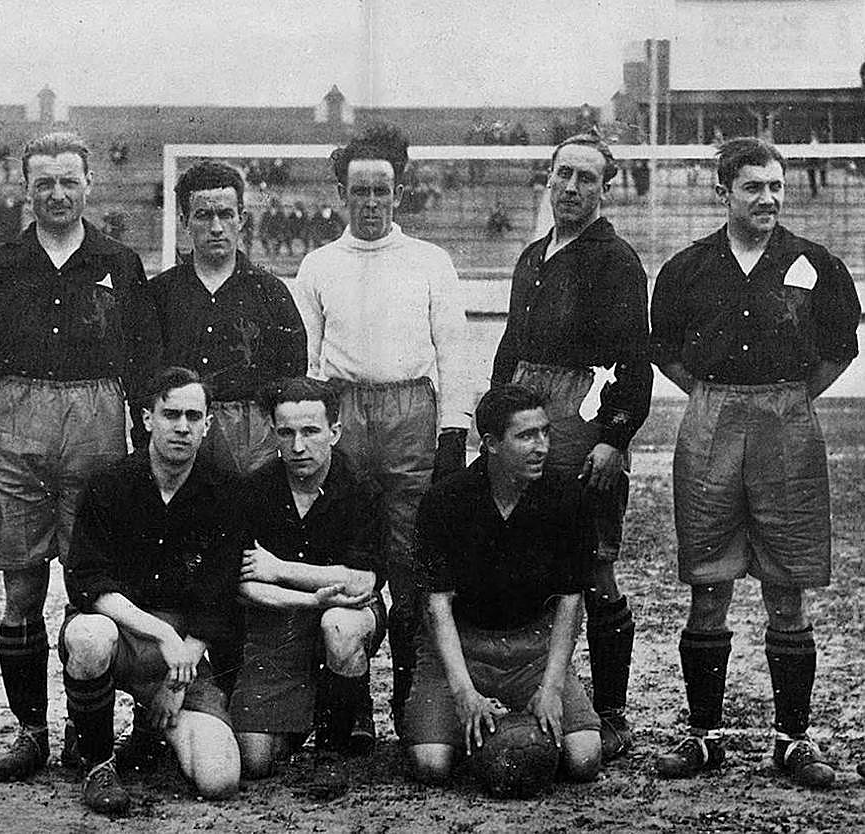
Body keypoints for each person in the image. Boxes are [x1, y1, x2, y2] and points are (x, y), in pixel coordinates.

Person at [649, 137, 859, 788]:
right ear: (723, 192)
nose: (767, 198)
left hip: (786, 421)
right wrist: (714, 400)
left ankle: (792, 741)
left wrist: (788, 400)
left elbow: (840, 345)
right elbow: (664, 347)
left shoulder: (813, 262)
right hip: (711, 420)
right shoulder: (689, 267)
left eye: (776, 186)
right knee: (707, 583)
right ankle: (703, 737)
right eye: (753, 187)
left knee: (786, 583)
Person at [0, 132, 162, 781]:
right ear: (26, 188)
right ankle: (29, 731)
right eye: (44, 182)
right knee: (22, 587)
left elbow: (142, 364)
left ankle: (88, 733)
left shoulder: (120, 260)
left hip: (97, 422)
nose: (57, 193)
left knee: (94, 588)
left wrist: (143, 458)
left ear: (89, 185)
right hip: (17, 420)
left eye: (68, 181)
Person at [293, 122, 474, 728]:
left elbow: (453, 353)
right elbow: (308, 361)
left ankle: (409, 695)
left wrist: (453, 432)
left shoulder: (429, 261)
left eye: (382, 190)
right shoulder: (318, 265)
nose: (370, 202)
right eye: (358, 191)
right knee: (344, 550)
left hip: (409, 416)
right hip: (344, 414)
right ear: (341, 193)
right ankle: (347, 703)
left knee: (410, 558)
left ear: (400, 193)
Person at [490, 132, 651, 761]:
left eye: (587, 178)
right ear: (548, 178)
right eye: (564, 174)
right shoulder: (532, 255)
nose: (572, 188)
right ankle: (527, 684)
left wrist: (614, 438)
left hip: (581, 418)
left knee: (592, 563)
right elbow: (509, 344)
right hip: (524, 409)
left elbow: (635, 364)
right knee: (521, 550)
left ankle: (611, 711)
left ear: (605, 189)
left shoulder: (617, 261)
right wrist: (494, 414)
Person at [61, 367, 242, 816]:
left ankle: (150, 729)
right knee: (87, 638)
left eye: (193, 417)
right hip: (123, 630)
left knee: (219, 779)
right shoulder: (110, 484)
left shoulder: (224, 491)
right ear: (146, 419)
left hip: (185, 649)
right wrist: (160, 635)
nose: (182, 427)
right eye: (170, 414)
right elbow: (86, 581)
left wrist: (177, 679)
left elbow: (219, 597)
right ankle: (98, 762)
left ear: (208, 424)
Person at [402, 385, 602, 787]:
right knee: (431, 766)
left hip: (533, 649)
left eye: (545, 433)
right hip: (463, 646)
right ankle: (474, 733)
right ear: (491, 444)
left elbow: (569, 601)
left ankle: (517, 726)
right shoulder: (446, 500)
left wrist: (551, 687)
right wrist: (464, 693)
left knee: (584, 760)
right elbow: (436, 605)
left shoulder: (566, 498)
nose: (541, 446)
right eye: (526, 436)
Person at [231, 377, 384, 800]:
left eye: (311, 431)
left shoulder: (362, 488)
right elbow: (244, 585)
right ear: (274, 434)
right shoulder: (255, 489)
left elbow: (362, 581)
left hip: (345, 614)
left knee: (340, 626)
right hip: (278, 619)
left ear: (334, 432)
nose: (298, 446)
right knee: (255, 761)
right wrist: (310, 594)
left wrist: (279, 568)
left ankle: (331, 751)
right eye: (286, 432)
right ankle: (311, 710)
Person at [149, 160, 306, 475]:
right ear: (184, 220)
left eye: (225, 214)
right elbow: (142, 375)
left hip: (252, 439)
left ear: (242, 219)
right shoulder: (159, 294)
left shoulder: (271, 292)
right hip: (180, 429)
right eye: (204, 215)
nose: (217, 228)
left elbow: (292, 375)